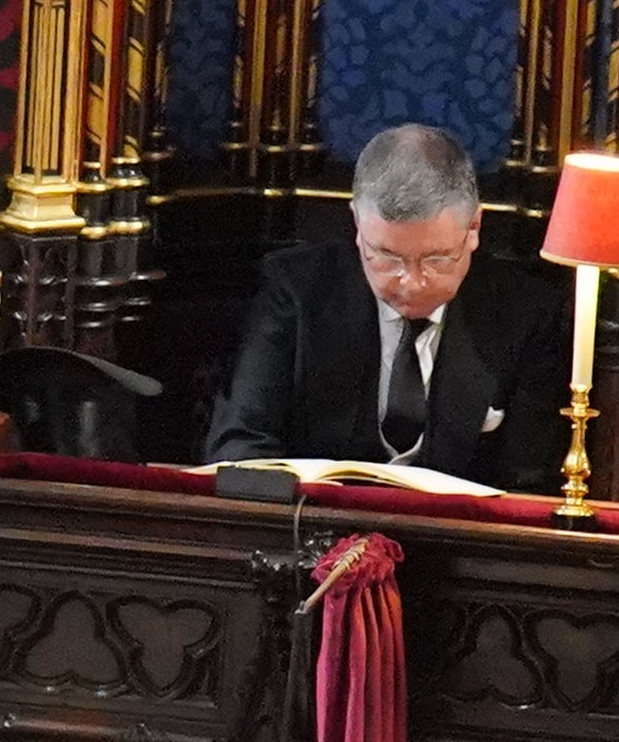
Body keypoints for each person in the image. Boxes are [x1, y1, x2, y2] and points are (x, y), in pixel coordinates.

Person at [202, 121, 570, 490]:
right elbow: (239, 445)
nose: (411, 282)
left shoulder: (525, 311)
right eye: (387, 257)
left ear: (473, 226)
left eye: (437, 259)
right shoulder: (296, 291)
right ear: (358, 226)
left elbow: (530, 481)